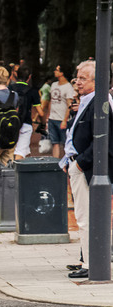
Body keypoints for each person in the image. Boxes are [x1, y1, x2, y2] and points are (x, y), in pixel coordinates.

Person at [59, 60, 113, 279]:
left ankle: (92, 263)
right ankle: (87, 259)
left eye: (83, 78)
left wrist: (80, 163)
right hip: (79, 164)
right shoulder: (88, 101)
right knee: (86, 215)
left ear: (96, 80)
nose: (77, 82)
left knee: (85, 216)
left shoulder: (99, 103)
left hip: (86, 167)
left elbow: (103, 139)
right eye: (77, 77)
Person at [9, 65, 45, 160]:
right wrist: (43, 123)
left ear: (16, 74)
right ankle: (16, 173)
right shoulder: (33, 91)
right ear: (29, 77)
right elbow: (40, 113)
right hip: (26, 123)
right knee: (20, 152)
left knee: (20, 150)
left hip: (10, 122)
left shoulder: (10, 88)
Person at [48, 64, 75, 159]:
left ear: (62, 73)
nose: (55, 71)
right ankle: (55, 162)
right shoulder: (54, 85)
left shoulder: (68, 87)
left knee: (64, 143)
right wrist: (48, 116)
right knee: (54, 142)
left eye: (57, 70)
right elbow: (51, 101)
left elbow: (69, 105)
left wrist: (65, 120)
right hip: (52, 117)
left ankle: (65, 163)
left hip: (62, 119)